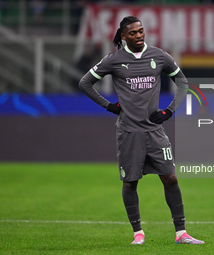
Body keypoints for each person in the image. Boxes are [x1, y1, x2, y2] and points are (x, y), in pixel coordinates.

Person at [78, 16, 204, 245]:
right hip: (128, 132)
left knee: (171, 178)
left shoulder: (159, 55)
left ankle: (181, 233)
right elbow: (85, 83)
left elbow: (183, 83)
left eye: (141, 31)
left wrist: (169, 111)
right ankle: (138, 233)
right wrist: (109, 106)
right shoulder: (114, 60)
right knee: (130, 183)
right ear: (123, 36)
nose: (139, 35)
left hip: (155, 132)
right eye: (133, 32)